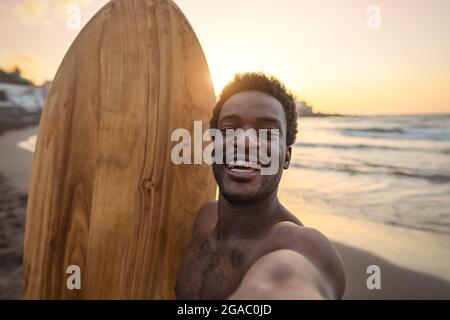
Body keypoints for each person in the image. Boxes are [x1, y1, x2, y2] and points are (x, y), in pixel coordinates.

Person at [175, 72, 346, 299]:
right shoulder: (204, 218)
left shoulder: (302, 246)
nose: (245, 141)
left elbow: (283, 282)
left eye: (267, 132)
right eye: (228, 130)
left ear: (286, 157)